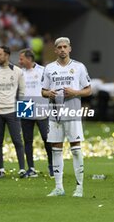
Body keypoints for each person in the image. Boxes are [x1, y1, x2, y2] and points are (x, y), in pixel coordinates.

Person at [41, 37, 91, 197]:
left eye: (65, 47)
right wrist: (48, 93)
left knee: (75, 149)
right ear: (55, 50)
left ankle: (79, 187)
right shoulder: (49, 68)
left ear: (70, 49)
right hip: (54, 113)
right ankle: (58, 187)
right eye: (59, 47)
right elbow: (43, 91)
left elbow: (88, 90)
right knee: (56, 150)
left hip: (72, 112)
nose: (62, 49)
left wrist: (75, 92)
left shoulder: (78, 67)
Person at [0, 46, 26, 178]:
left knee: (17, 141)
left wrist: (23, 113)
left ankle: (22, 169)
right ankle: (1, 170)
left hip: (13, 111)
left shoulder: (17, 71)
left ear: (7, 55)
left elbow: (22, 93)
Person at [18, 48, 53, 177]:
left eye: (21, 59)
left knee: (47, 138)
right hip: (25, 106)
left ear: (29, 59)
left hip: (41, 106)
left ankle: (52, 166)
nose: (19, 61)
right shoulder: (19, 73)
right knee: (27, 140)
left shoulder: (43, 71)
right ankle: (31, 168)